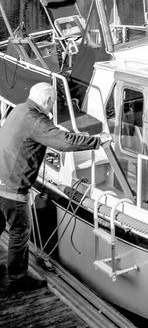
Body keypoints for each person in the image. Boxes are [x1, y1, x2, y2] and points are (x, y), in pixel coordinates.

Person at [0, 82, 108, 293]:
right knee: (20, 231)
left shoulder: (20, 110)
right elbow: (63, 142)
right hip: (12, 189)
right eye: (54, 103)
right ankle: (17, 279)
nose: (53, 108)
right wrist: (96, 141)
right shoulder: (34, 120)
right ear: (48, 101)